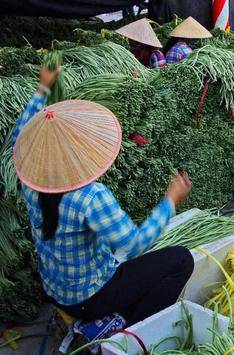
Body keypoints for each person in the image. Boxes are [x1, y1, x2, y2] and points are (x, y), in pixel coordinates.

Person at [12, 65, 194, 333]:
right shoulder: (90, 197)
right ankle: (127, 331)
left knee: (113, 250)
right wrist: (170, 201)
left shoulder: (30, 182)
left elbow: (21, 133)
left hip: (53, 289)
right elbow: (134, 244)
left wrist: (43, 89)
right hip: (89, 298)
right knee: (181, 260)